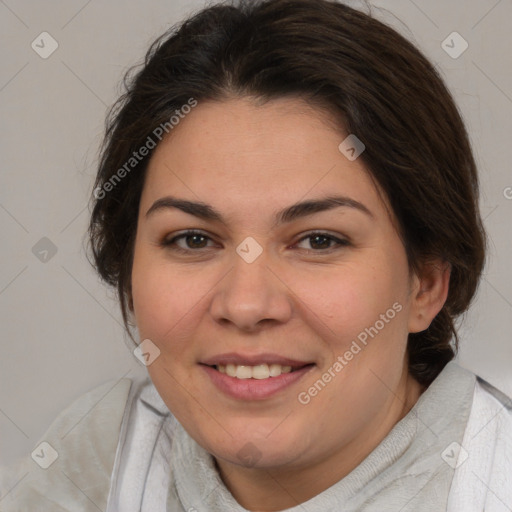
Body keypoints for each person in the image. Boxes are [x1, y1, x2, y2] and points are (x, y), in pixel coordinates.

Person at [1, 0, 511, 510]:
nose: (246, 305)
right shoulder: (96, 460)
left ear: (426, 282)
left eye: (318, 241)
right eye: (193, 240)